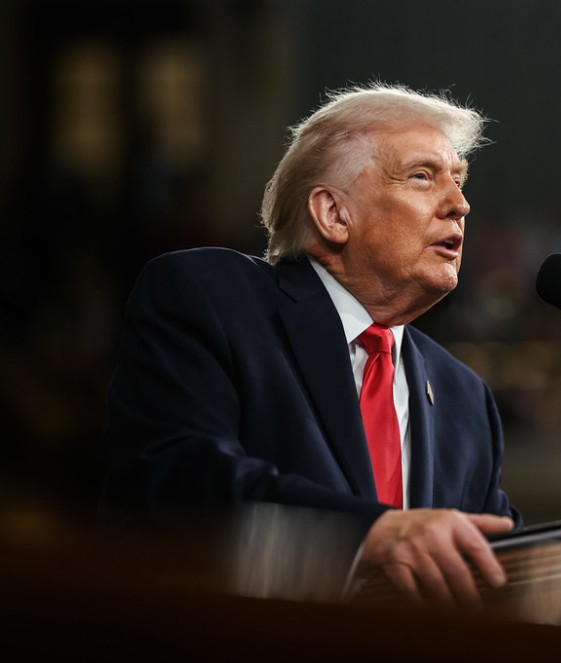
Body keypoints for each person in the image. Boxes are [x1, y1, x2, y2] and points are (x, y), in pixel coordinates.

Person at [98, 83, 521, 609]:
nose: (460, 205)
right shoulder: (211, 298)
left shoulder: (464, 398)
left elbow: (498, 570)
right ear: (334, 214)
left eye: (458, 181)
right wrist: (368, 535)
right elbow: (178, 487)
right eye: (422, 176)